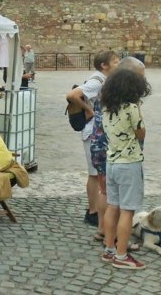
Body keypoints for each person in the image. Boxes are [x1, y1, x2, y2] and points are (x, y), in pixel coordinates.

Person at [91, 56, 146, 243]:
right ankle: (117, 241)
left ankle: (104, 233)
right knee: (121, 204)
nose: (142, 80)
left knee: (106, 193)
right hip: (119, 153)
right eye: (140, 76)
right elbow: (139, 131)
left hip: (105, 149)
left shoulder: (110, 92)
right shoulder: (128, 101)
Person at [100, 68, 150, 269]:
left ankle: (109, 248)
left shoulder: (106, 108)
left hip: (111, 162)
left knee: (113, 206)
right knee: (128, 211)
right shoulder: (131, 107)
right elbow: (141, 134)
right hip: (129, 163)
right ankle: (121, 256)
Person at [66, 50, 119, 227]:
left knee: (97, 174)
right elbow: (72, 95)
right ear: (104, 65)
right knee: (94, 174)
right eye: (116, 61)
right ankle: (92, 211)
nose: (118, 64)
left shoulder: (102, 80)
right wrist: (89, 111)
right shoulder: (97, 81)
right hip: (91, 132)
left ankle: (96, 210)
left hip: (97, 131)